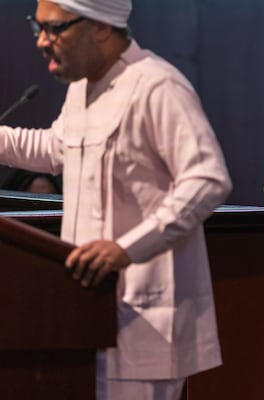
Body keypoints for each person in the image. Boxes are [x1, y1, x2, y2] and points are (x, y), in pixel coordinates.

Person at [0, 1, 232, 399]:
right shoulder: (81, 90)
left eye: (54, 29)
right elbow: (55, 148)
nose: (42, 41)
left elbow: (208, 179)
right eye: (36, 27)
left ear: (102, 27)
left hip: (146, 321)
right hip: (87, 309)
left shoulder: (157, 86)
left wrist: (125, 248)